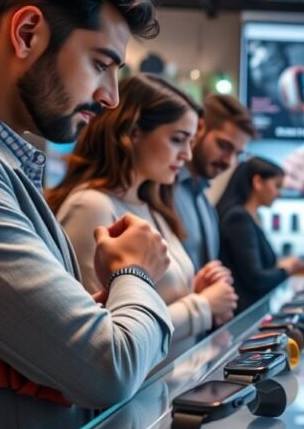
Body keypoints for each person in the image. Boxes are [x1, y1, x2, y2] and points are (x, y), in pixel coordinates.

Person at [0, 0, 172, 429]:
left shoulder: (1, 163)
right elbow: (109, 366)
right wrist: (136, 273)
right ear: (27, 32)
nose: (111, 98)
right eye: (102, 63)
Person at [49, 74, 238, 356]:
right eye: (178, 140)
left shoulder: (151, 205)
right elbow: (102, 338)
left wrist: (193, 289)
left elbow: (150, 299)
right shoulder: (92, 206)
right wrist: (203, 306)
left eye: (190, 142)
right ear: (133, 132)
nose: (187, 155)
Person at [175, 94, 255, 271]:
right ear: (199, 129)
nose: (229, 161)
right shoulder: (161, 191)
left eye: (237, 154)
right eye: (224, 146)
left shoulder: (204, 202)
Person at [217, 157, 304, 311]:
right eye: (277, 186)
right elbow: (256, 279)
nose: (279, 194)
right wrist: (286, 269)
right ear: (258, 181)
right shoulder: (238, 218)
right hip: (243, 315)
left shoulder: (252, 217)